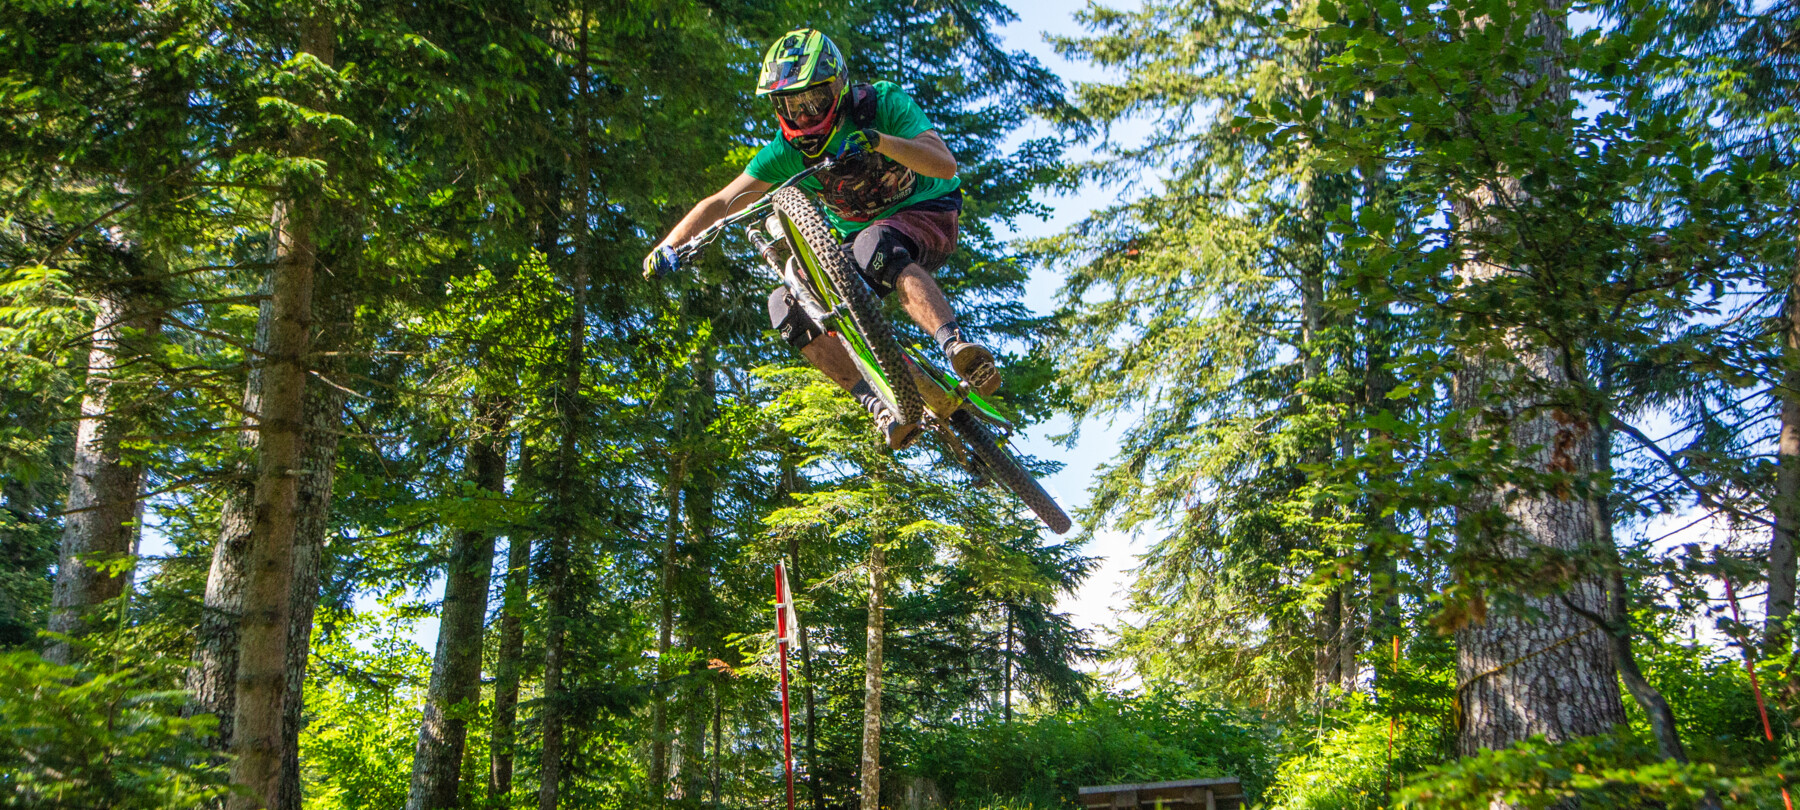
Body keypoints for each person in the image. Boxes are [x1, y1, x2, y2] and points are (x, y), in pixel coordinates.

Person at [643, 27, 1000, 450]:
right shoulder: (786, 152)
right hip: (862, 242)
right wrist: (670, 245)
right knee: (786, 307)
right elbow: (723, 201)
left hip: (928, 210)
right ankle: (878, 405)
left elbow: (943, 165)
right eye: (791, 105)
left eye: (813, 100)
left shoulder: (880, 105)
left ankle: (956, 346)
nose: (805, 116)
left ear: (837, 87)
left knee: (874, 245)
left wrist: (880, 142)